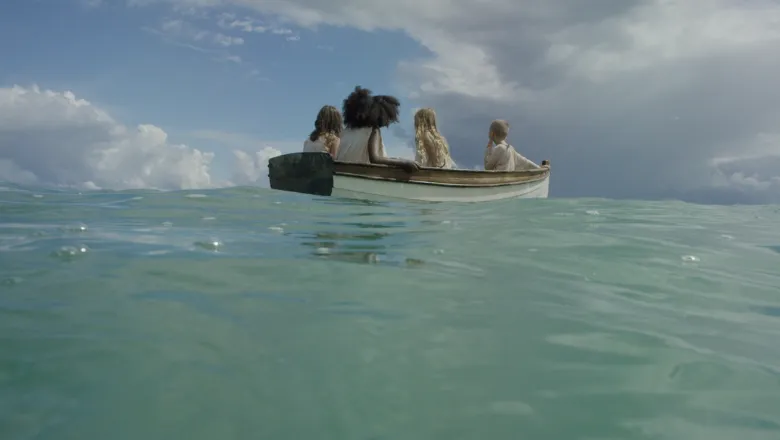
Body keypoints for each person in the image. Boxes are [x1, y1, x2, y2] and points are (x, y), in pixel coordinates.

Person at [335, 86, 419, 173]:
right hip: (361, 175)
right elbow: (375, 158)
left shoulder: (345, 131)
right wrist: (404, 163)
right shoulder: (373, 131)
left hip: (342, 173)